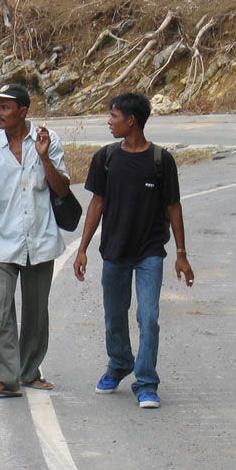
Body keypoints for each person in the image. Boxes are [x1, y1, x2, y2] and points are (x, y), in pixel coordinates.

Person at [73, 92, 194, 409]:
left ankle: (146, 382)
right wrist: (82, 249)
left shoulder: (161, 161)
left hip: (150, 252)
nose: (109, 122)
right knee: (114, 316)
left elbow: (174, 207)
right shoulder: (106, 159)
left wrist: (181, 253)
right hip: (114, 251)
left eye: (114, 116)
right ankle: (118, 364)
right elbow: (96, 204)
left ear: (132, 120)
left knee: (149, 316)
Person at [0, 84, 71, 396]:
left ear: (23, 111)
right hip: (1, 242)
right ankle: (3, 375)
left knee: (36, 310)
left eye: (5, 107)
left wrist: (44, 157)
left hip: (40, 239)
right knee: (1, 306)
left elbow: (62, 189)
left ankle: (29, 371)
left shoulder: (48, 141)